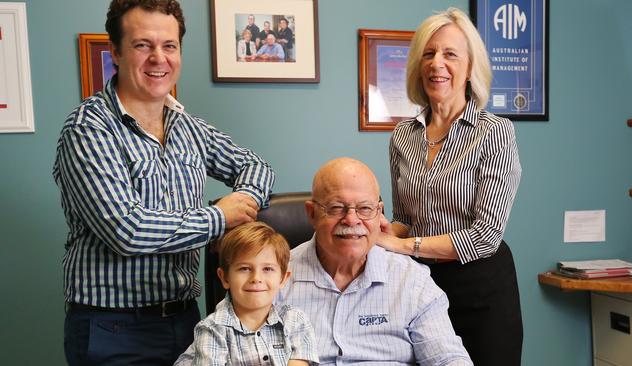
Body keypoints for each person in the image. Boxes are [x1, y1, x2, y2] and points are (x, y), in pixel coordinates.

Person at [53, 1, 274, 365]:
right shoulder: (89, 128)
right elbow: (127, 229)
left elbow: (256, 166)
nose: (159, 58)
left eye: (169, 46)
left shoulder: (186, 126)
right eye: (143, 45)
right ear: (117, 53)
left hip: (187, 322)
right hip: (114, 330)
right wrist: (218, 218)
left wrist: (244, 202)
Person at [379, 7, 523, 366]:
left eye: (449, 54)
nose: (436, 63)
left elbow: (486, 235)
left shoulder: (495, 132)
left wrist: (401, 245)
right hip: (420, 289)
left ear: (470, 67)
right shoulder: (403, 135)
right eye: (428, 54)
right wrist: (378, 232)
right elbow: (405, 218)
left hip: (481, 291)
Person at [276, 157, 473, 366]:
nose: (352, 220)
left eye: (365, 209)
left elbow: (448, 359)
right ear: (312, 213)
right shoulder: (273, 279)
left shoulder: (411, 280)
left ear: (379, 213)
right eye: (336, 207)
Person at [174, 222, 319, 366]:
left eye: (267, 269)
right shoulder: (212, 330)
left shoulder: (295, 321)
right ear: (224, 278)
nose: (256, 278)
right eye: (244, 268)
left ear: (283, 279)